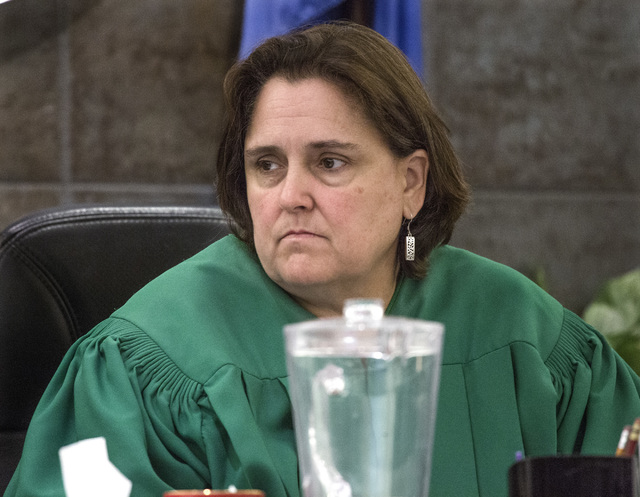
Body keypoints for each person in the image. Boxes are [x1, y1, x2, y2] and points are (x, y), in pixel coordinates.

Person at [5, 21, 640, 497]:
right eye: (266, 165)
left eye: (329, 162)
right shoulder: (144, 365)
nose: (290, 196)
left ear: (411, 183)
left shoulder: (527, 337)